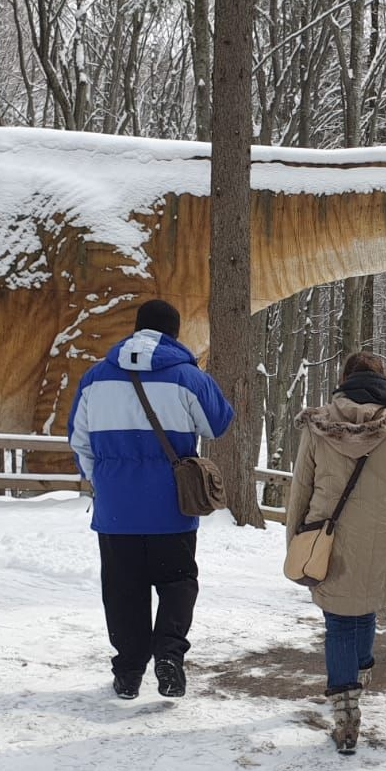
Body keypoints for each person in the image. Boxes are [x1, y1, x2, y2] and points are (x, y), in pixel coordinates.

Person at [67, 299, 234, 701]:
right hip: (172, 507)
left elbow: (78, 440)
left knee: (123, 588)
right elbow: (218, 424)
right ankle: (170, 656)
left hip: (116, 510)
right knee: (178, 582)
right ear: (173, 334)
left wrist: (103, 480)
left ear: (135, 329)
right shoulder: (186, 376)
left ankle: (128, 672)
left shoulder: (94, 378)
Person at [288, 352, 386, 754]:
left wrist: (294, 546)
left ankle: (345, 711)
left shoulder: (318, 425)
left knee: (338, 621)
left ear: (344, 379)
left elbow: (301, 489)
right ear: (382, 382)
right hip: (381, 540)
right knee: (365, 608)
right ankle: (362, 666)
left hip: (327, 540)